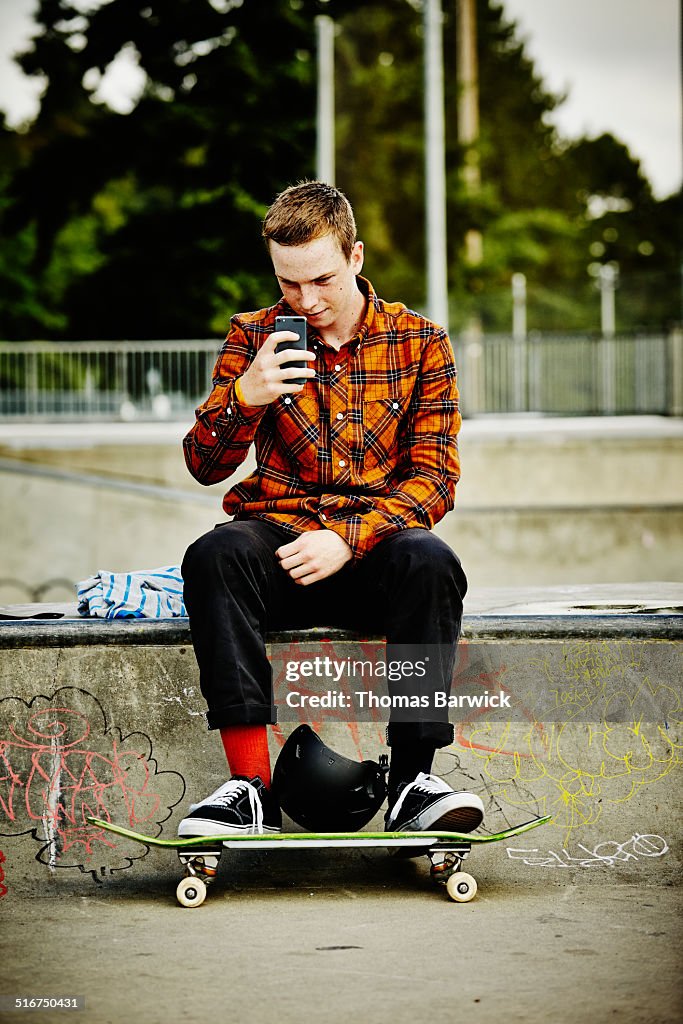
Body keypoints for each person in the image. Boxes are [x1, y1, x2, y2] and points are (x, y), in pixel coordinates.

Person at [178, 181, 484, 837]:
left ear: (355, 257)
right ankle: (248, 789)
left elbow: (435, 480)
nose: (306, 301)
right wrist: (246, 395)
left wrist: (347, 537)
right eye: (288, 285)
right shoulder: (253, 337)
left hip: (375, 561)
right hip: (278, 552)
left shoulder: (418, 342)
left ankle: (410, 784)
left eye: (320, 280)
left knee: (429, 558)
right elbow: (204, 465)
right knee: (214, 553)